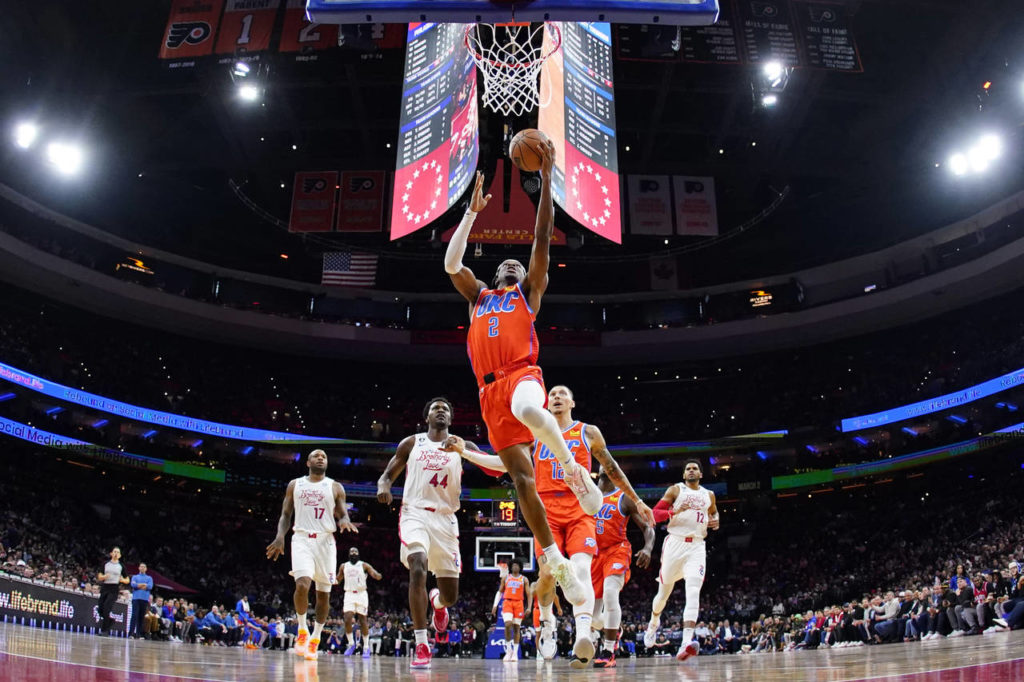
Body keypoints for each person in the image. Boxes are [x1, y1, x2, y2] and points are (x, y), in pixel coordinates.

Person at [444, 159, 605, 608]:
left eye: (519, 264)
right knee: (521, 479)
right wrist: (471, 213)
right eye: (507, 263)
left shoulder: (528, 293)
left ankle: (572, 470)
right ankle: (555, 561)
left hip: (522, 373)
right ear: (496, 275)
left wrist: (547, 182)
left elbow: (541, 238)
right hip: (487, 392)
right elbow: (451, 262)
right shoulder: (478, 296)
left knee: (530, 410)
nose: (514, 264)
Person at [377, 396, 507, 668]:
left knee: (450, 596)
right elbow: (387, 475)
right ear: (427, 417)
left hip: (446, 520)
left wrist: (468, 453)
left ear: (451, 418)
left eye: (445, 409)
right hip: (415, 513)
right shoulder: (412, 443)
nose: (441, 411)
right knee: (418, 566)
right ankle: (422, 643)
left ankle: (438, 603)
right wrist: (384, 487)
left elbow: (497, 469)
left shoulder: (462, 444)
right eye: (435, 408)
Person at [531, 385, 654, 668]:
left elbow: (612, 468)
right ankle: (547, 621)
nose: (557, 397)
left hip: (580, 508)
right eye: (552, 394)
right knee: (547, 573)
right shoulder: (535, 432)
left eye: (562, 394)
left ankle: (583, 635)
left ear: (572, 402)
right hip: (547, 511)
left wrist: (637, 500)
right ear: (546, 403)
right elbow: (511, 463)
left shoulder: (588, 432)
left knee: (581, 568)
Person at [265, 449, 358, 661]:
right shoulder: (295, 484)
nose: (320, 458)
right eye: (316, 456)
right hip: (302, 538)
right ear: (308, 462)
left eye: (324, 456)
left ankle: (315, 638)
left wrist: (344, 520)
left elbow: (342, 513)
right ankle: (302, 629)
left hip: (326, 541)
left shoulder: (335, 486)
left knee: (323, 595)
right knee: (302, 584)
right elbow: (286, 514)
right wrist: (280, 536)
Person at [643, 459, 720, 663]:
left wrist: (716, 519)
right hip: (675, 544)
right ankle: (653, 623)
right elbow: (654, 514)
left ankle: (686, 643)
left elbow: (714, 512)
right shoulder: (675, 490)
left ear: (701, 474)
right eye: (688, 469)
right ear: (684, 474)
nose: (691, 471)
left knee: (693, 590)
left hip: (697, 546)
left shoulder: (709, 495)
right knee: (663, 593)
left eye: (695, 468)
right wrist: (673, 512)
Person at [590, 465, 656, 668]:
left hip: (616, 550)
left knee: (610, 594)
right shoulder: (588, 493)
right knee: (593, 616)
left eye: (609, 462)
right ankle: (614, 628)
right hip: (593, 554)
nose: (604, 464)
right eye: (601, 461)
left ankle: (608, 650)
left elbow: (647, 527)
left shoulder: (624, 497)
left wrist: (647, 548)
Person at [339, 547, 382, 657]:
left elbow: (374, 573)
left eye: (355, 552)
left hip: (361, 594)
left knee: (363, 620)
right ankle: (351, 644)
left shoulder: (364, 565)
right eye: (351, 552)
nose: (353, 553)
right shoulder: (344, 566)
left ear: (358, 554)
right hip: (349, 593)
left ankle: (366, 647)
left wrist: (377, 575)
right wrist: (330, 580)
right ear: (349, 554)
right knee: (347, 619)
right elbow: (338, 579)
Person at [492, 559, 532, 661]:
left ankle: (515, 653)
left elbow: (529, 594)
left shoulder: (524, 579)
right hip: (507, 602)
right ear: (510, 567)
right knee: (507, 624)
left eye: (517, 565)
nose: (515, 567)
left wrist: (529, 607)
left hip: (519, 603)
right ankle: (509, 651)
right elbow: (500, 592)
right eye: (513, 565)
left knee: (516, 628)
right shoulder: (506, 578)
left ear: (520, 567)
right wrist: (495, 605)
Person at [97, 547, 130, 636]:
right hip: (105, 587)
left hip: (114, 588)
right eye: (114, 552)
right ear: (111, 553)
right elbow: (99, 576)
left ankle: (104, 630)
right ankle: (110, 620)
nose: (116, 553)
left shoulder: (121, 566)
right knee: (100, 608)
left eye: (118, 552)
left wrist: (122, 580)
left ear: (120, 555)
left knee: (107, 608)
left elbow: (127, 580)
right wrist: (104, 577)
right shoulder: (105, 564)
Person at [129, 562, 154, 639]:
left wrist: (138, 585)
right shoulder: (135, 577)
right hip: (136, 598)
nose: (142, 568)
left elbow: (150, 586)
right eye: (141, 566)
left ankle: (138, 634)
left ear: (146, 569)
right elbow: (133, 585)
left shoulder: (149, 578)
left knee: (141, 617)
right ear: (139, 568)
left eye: (144, 567)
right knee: (134, 615)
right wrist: (144, 585)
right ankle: (131, 633)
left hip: (144, 599)